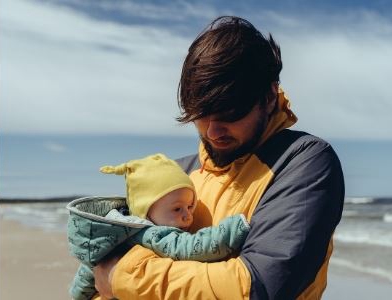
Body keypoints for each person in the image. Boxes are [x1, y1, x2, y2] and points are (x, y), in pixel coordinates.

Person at [93, 16, 345, 300]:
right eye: (200, 116)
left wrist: (122, 277)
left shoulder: (303, 161)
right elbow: (109, 264)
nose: (213, 132)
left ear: (270, 96)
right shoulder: (177, 174)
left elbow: (259, 286)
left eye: (230, 114)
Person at [67, 154, 249, 300]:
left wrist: (78, 295)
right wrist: (233, 229)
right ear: (146, 212)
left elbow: (87, 272)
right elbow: (193, 247)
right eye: (177, 209)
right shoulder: (153, 234)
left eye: (190, 206)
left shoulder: (115, 234)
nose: (188, 215)